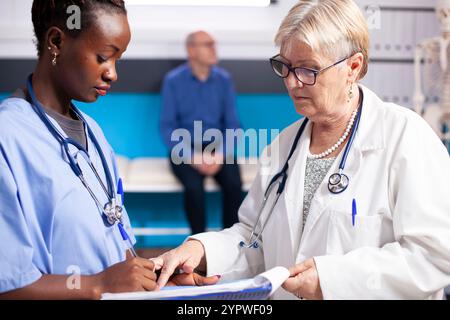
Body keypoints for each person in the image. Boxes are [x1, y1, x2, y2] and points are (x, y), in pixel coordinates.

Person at [152, 0, 450, 300]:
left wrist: (332, 279)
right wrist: (202, 250)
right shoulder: (281, 147)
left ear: (353, 67)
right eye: (286, 66)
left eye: (309, 69)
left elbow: (434, 254)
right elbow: (253, 239)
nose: (293, 83)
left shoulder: (405, 138)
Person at [0, 0, 218, 299]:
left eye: (118, 59)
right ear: (56, 42)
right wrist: (97, 284)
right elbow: (8, 286)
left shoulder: (94, 134)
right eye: (103, 57)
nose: (112, 74)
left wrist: (153, 281)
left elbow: (113, 244)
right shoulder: (8, 139)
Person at [160, 30, 243, 234]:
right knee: (194, 188)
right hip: (185, 148)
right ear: (191, 50)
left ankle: (229, 242)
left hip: (217, 147)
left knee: (233, 185)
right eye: (208, 44)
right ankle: (198, 244)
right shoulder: (173, 81)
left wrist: (220, 155)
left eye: (214, 43)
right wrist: (192, 157)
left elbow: (233, 124)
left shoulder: (224, 80)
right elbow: (167, 126)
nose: (214, 48)